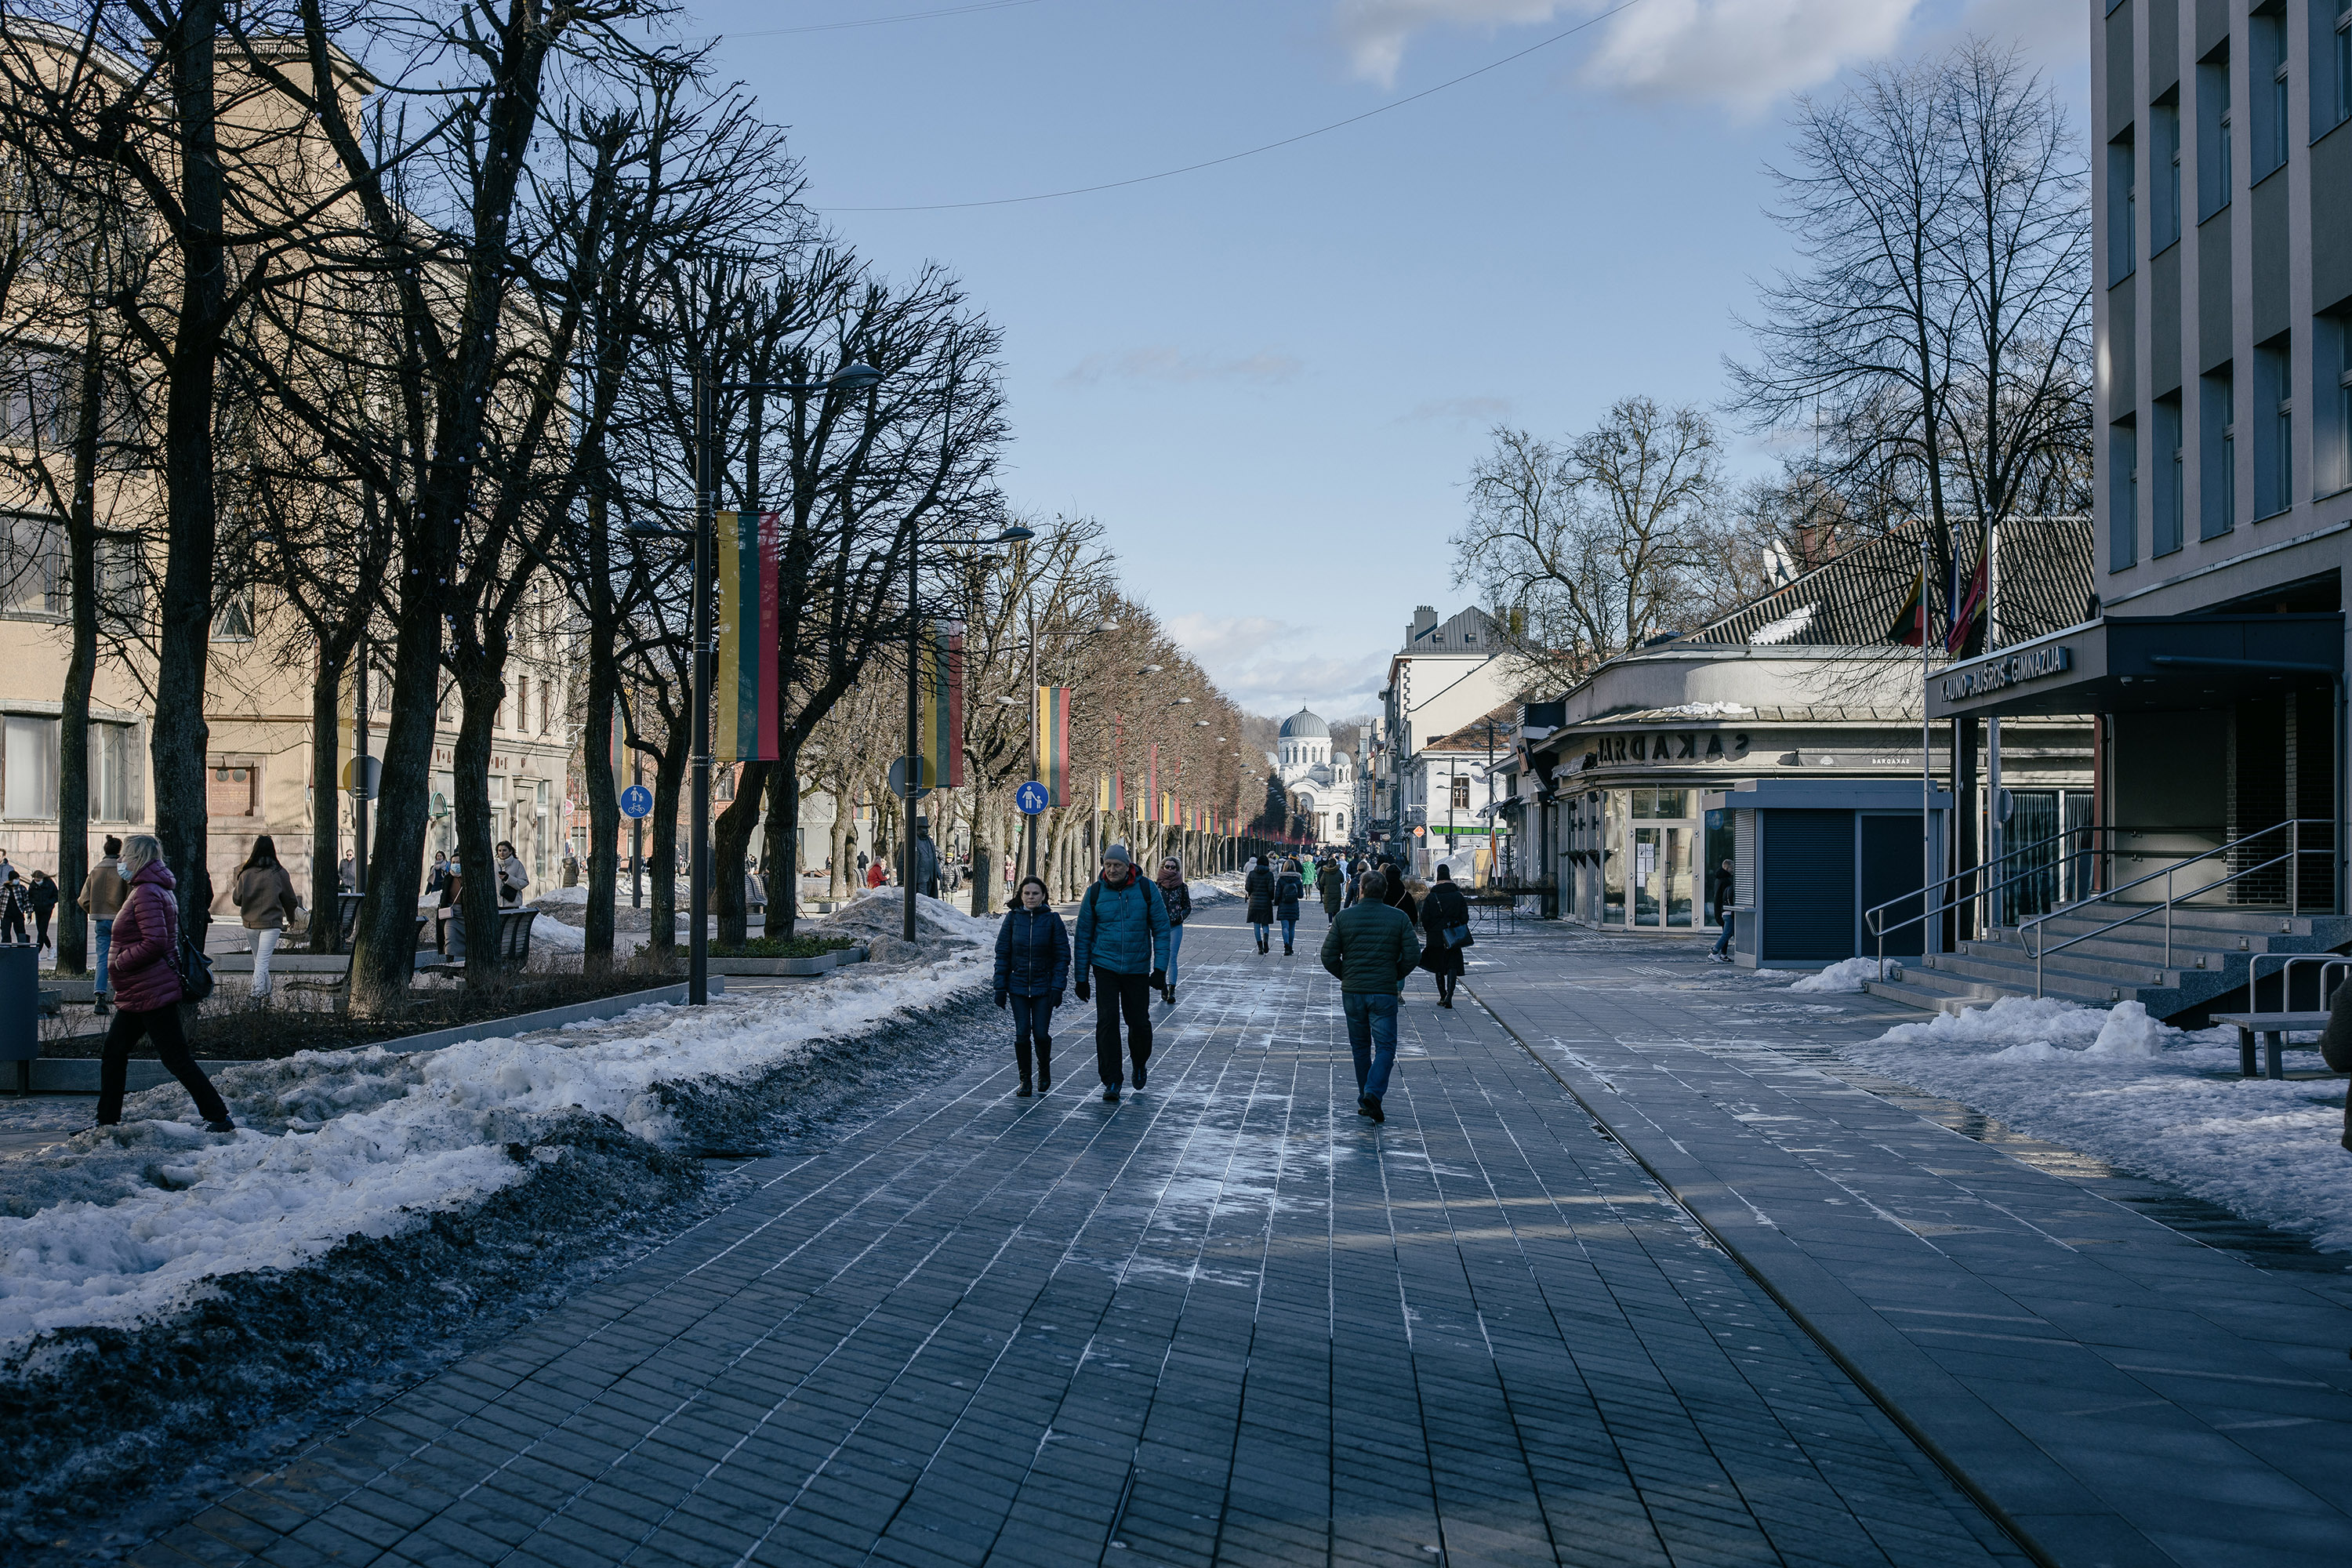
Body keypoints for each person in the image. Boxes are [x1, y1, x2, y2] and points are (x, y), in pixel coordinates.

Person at [94, 834, 234, 1134]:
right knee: (115, 1051)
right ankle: (106, 1121)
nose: (121, 862)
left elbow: (155, 942)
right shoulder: (154, 889)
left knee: (174, 1057)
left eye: (124, 857)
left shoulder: (146, 893)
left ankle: (218, 1116)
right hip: (142, 989)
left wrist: (120, 962)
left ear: (137, 858)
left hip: (150, 989)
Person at [1319, 869, 1421, 1124]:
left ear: (1361, 890)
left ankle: (1366, 1098)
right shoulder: (1398, 918)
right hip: (1383, 992)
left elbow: (1328, 956)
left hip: (1353, 992)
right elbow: (1413, 954)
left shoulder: (1344, 918)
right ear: (1385, 891)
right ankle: (1372, 1093)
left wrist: (1346, 974)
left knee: (1360, 1047)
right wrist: (1395, 974)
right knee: (1386, 1046)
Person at [1071, 844, 1170, 1103]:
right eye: (1107, 865)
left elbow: (1161, 929)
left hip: (1137, 968)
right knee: (1107, 1023)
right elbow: (1083, 936)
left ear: (1128, 866)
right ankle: (1112, 1079)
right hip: (1105, 967)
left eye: (1117, 865)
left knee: (1138, 1023)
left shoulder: (1147, 890)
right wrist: (1081, 977)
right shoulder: (1094, 893)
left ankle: (1139, 1062)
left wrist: (1160, 969)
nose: (1112, 870)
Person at [994, 874, 1070, 1097]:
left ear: (1044, 896)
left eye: (1035, 893)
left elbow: (1062, 956)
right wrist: (1000, 987)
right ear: (1020, 895)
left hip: (1043, 987)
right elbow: (1002, 954)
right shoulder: (1012, 919)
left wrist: (1058, 987)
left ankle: (1044, 1070)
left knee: (1040, 1033)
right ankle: (1025, 1080)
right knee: (1021, 1034)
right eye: (1026, 893)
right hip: (1017, 986)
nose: (1030, 897)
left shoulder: (1053, 920)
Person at [231, 837, 302, 1002]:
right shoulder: (280, 873)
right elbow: (291, 900)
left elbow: (236, 899)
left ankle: (264, 994)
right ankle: (256, 996)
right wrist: (291, 918)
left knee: (260, 961)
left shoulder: (246, 873)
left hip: (250, 923)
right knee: (261, 962)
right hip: (271, 924)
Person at [82, 837, 126, 1014]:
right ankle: (122, 995)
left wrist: (95, 910)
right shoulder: (123, 870)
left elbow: (84, 899)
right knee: (122, 958)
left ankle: (100, 997)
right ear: (119, 850)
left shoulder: (95, 870)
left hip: (101, 919)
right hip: (120, 919)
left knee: (102, 959)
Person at [1419, 863, 1472, 1009]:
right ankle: (1450, 995)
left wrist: (1432, 929)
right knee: (1452, 965)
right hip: (1453, 936)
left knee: (1438, 966)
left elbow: (1425, 917)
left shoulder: (1432, 896)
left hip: (1436, 936)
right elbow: (1465, 917)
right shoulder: (1457, 896)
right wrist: (1455, 925)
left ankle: (1443, 995)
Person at [1155, 857, 1192, 1004]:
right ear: (1162, 867)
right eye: (1167, 867)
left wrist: (1181, 916)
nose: (1170, 870)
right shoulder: (1157, 886)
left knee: (1172, 959)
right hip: (1160, 928)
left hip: (1175, 926)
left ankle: (1172, 990)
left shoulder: (1182, 887)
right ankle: (1163, 985)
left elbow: (1188, 906)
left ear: (1178, 869)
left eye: (1173, 867)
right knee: (1160, 958)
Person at [1244, 855, 1276, 954]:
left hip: (1254, 902)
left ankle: (1260, 946)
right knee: (1265, 924)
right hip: (1266, 902)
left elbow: (1247, 887)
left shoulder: (1252, 874)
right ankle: (1266, 941)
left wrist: (1252, 892)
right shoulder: (1269, 874)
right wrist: (1271, 898)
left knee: (1256, 925)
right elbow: (1271, 889)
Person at [1274, 857, 1305, 955]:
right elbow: (1301, 895)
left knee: (1285, 928)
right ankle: (1291, 947)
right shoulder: (1297, 880)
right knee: (1292, 928)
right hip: (1294, 906)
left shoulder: (1281, 880)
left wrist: (1276, 903)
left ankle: (1286, 945)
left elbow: (1277, 894)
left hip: (1283, 906)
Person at [1710, 857, 1737, 962]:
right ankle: (1715, 952)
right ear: (1727, 868)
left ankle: (1723, 954)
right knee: (1727, 934)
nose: (1733, 871)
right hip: (1726, 911)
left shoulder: (1719, 879)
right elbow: (1727, 897)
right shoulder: (1726, 881)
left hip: (1722, 910)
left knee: (1727, 933)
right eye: (1732, 868)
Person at [27, 869, 57, 949]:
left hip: (47, 909)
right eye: (36, 880)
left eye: (38, 880)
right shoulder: (33, 885)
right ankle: (50, 948)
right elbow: (30, 896)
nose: (37, 881)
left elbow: (56, 895)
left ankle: (38, 950)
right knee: (41, 930)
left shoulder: (49, 883)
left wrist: (49, 902)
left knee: (42, 930)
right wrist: (34, 903)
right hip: (38, 909)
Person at [913, 818, 941, 899]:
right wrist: (901, 879)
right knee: (923, 899)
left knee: (930, 898)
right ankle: (923, 911)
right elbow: (901, 860)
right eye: (923, 828)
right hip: (920, 876)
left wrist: (938, 871)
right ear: (918, 829)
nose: (926, 830)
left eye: (927, 828)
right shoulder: (912, 841)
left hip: (931, 875)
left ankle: (929, 911)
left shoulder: (930, 841)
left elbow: (934, 858)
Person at [495, 840, 529, 906]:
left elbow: (524, 882)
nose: (502, 853)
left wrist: (508, 879)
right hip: (496, 905)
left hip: (512, 904)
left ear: (510, 851)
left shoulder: (517, 864)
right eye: (499, 851)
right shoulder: (493, 864)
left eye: (504, 850)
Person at [1317, 856, 1344, 920]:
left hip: (1328, 892)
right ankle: (1335, 920)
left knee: (1329, 908)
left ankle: (1330, 922)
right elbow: (1342, 880)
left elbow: (1322, 882)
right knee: (1336, 907)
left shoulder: (1326, 872)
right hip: (1337, 892)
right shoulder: (1339, 872)